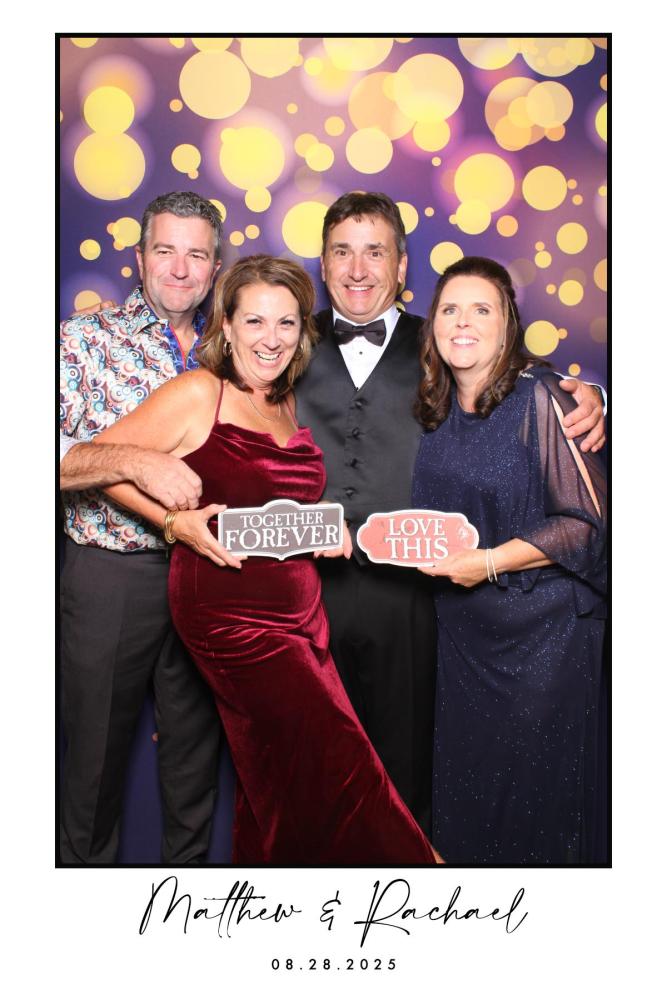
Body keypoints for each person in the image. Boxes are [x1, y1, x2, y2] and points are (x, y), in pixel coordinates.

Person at [90, 254, 438, 865]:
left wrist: (320, 525)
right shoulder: (201, 393)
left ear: (302, 332)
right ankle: (428, 879)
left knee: (274, 787)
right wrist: (171, 521)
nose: (270, 338)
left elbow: (271, 500)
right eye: (254, 321)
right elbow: (92, 460)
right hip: (233, 617)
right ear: (226, 326)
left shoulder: (284, 400)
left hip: (303, 616)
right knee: (340, 766)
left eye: (286, 323)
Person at [294, 191, 606, 837]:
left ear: (402, 266)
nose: (358, 269)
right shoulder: (286, 341)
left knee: (422, 781)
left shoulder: (436, 345)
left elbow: (530, 388)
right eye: (342, 253)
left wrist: (597, 397)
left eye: (375, 252)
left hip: (424, 604)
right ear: (322, 265)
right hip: (316, 594)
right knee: (317, 776)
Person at [412, 256, 607, 864]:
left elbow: (586, 525)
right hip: (465, 638)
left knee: (535, 807)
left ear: (506, 326)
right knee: (474, 804)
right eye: (450, 309)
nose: (462, 322)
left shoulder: (541, 397)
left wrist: (490, 562)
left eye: (481, 309)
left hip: (542, 641)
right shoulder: (438, 408)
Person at [59, 191, 224, 864]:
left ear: (215, 267)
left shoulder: (235, 347)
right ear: (139, 257)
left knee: (195, 763)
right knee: (93, 764)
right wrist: (134, 460)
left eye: (197, 255)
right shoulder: (80, 341)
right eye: (165, 251)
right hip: (113, 577)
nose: (181, 269)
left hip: (206, 574)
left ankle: (187, 903)